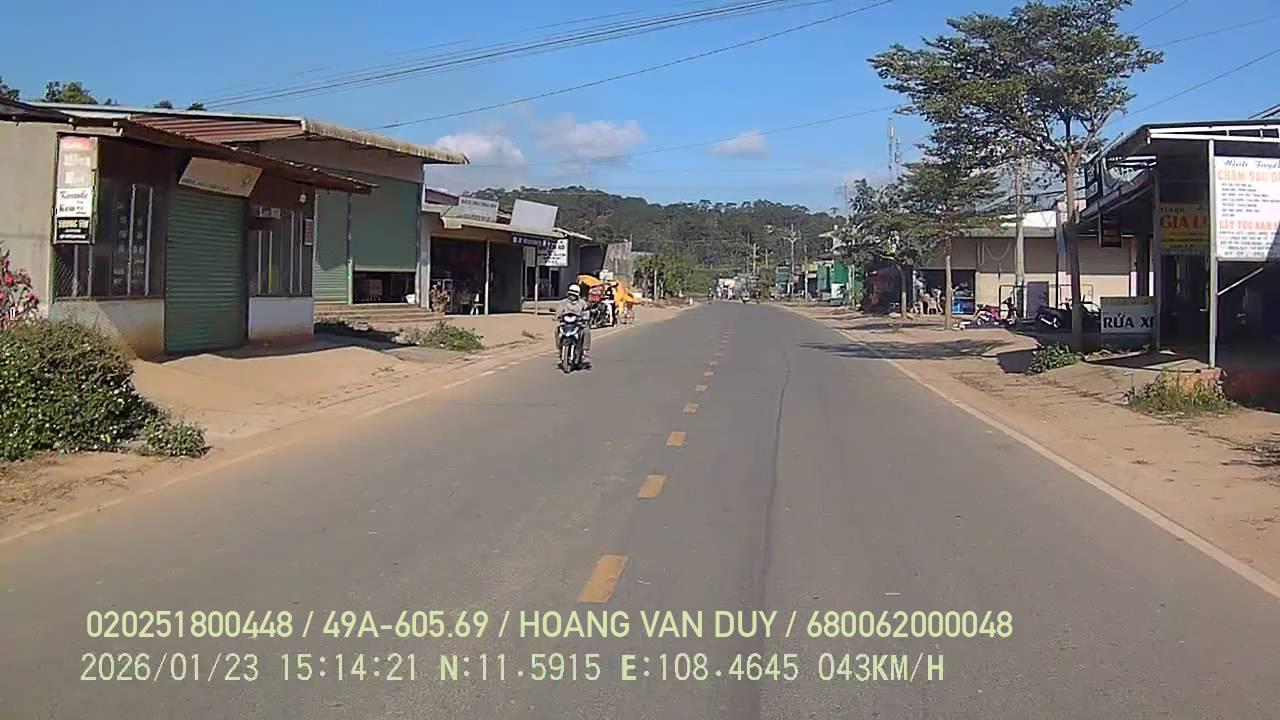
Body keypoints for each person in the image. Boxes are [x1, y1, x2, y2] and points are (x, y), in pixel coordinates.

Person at [556, 283, 591, 365]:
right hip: (566, 323)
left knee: (586, 331)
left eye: (573, 294)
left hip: (578, 323)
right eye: (570, 294)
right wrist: (557, 316)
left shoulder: (582, 303)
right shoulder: (564, 302)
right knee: (556, 330)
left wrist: (585, 317)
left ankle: (585, 350)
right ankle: (560, 348)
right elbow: (559, 311)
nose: (571, 296)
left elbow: (586, 311)